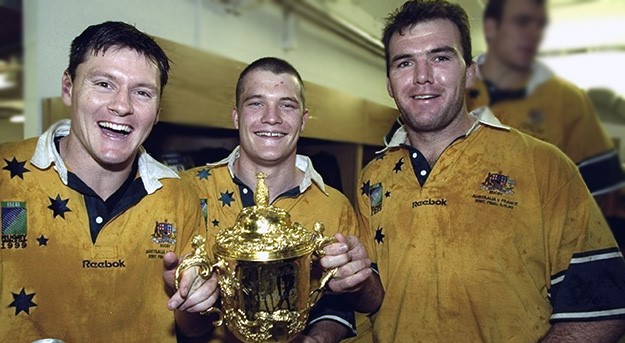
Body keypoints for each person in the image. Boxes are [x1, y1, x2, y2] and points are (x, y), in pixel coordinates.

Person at [357, 0, 625, 341]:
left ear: (470, 73)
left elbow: (604, 307)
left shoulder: (543, 165)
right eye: (405, 62)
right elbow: (369, 299)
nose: (422, 76)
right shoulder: (372, 177)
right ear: (390, 84)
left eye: (440, 57)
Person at [0, 21, 213, 341]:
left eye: (142, 92)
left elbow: (195, 330)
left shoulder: (178, 194)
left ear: (157, 112)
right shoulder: (7, 177)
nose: (121, 106)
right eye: (103, 84)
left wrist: (191, 302)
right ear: (68, 87)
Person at [181, 57, 384, 342]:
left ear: (303, 120)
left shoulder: (334, 205)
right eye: (256, 103)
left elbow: (343, 305)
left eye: (286, 105)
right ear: (236, 116)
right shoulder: (187, 192)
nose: (271, 117)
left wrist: (318, 338)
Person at [465, 0, 625, 245]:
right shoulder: (447, 86)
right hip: (451, 241)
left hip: (538, 256)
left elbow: (606, 203)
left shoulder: (567, 100)